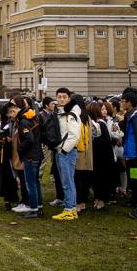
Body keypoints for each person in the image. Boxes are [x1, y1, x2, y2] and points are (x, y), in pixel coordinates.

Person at [52, 87, 82, 221]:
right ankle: (71, 207)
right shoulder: (62, 112)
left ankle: (69, 209)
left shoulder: (71, 114)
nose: (62, 99)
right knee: (67, 181)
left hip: (66, 152)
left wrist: (64, 149)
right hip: (61, 151)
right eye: (59, 97)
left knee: (67, 181)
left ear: (69, 98)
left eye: (64, 97)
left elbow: (74, 135)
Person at [11, 96, 43, 218]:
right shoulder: (31, 117)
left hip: (30, 156)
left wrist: (20, 147)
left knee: (31, 183)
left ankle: (33, 208)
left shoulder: (24, 121)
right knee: (35, 182)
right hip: (36, 154)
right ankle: (38, 206)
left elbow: (29, 138)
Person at [121, 92, 137, 219]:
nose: (121, 103)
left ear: (130, 103)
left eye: (123, 101)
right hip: (134, 155)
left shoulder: (136, 117)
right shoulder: (132, 116)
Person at [89, 102, 117, 210]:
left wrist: (94, 140)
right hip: (96, 156)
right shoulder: (94, 123)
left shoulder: (101, 124)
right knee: (95, 179)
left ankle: (101, 199)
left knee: (101, 179)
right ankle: (97, 198)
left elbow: (106, 141)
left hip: (102, 157)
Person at [72, 94, 94, 213]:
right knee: (84, 179)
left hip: (78, 152)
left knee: (77, 179)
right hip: (87, 152)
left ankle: (79, 203)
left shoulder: (77, 117)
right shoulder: (87, 117)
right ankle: (83, 202)